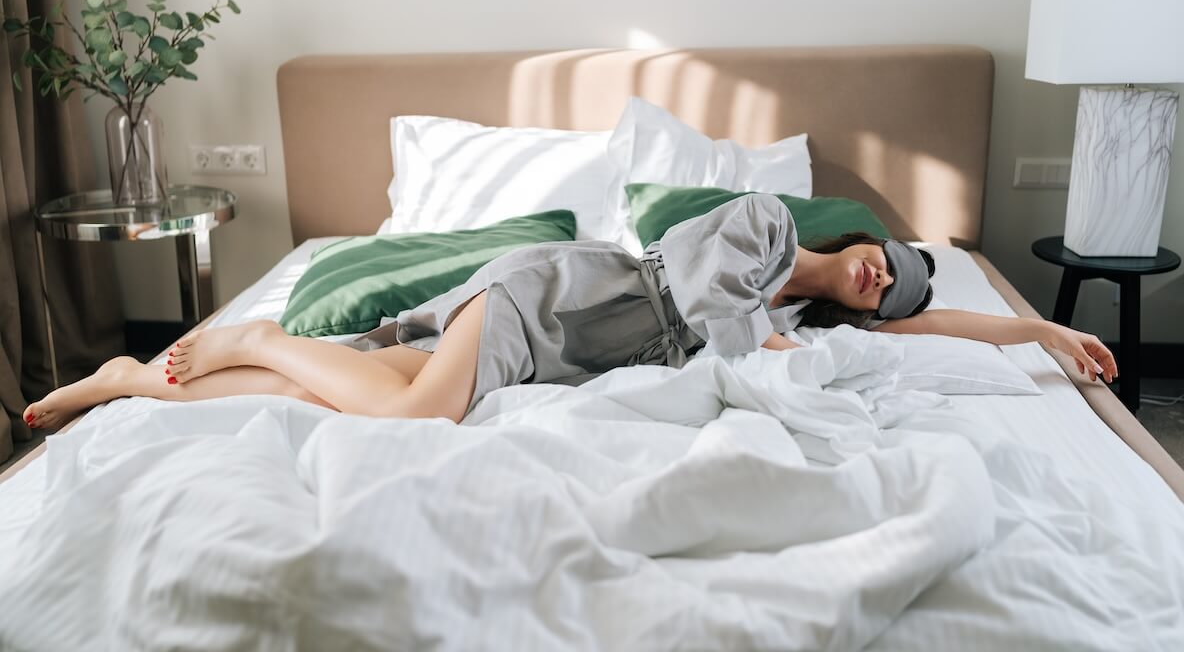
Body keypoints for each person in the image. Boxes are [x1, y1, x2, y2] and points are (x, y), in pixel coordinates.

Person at [22, 194, 1117, 431]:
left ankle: (129, 378)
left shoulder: (812, 327)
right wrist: (765, 342)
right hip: (550, 296)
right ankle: (260, 331)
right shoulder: (765, 227)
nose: (886, 283)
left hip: (558, 362)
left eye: (898, 295)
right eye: (893, 263)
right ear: (869, 243)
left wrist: (1035, 328)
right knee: (415, 421)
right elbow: (695, 303)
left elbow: (940, 324)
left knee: (385, 392)